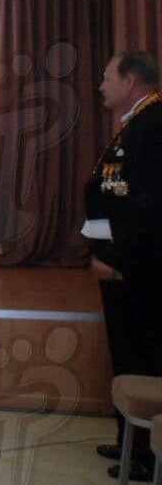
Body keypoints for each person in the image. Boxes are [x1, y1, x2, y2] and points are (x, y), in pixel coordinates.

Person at [82, 50, 162, 482]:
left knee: (142, 354)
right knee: (127, 354)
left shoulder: (152, 127)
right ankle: (129, 435)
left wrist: (117, 261)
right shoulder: (136, 125)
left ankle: (146, 454)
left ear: (130, 79)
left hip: (138, 271)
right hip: (120, 265)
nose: (101, 86)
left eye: (107, 77)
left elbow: (149, 206)